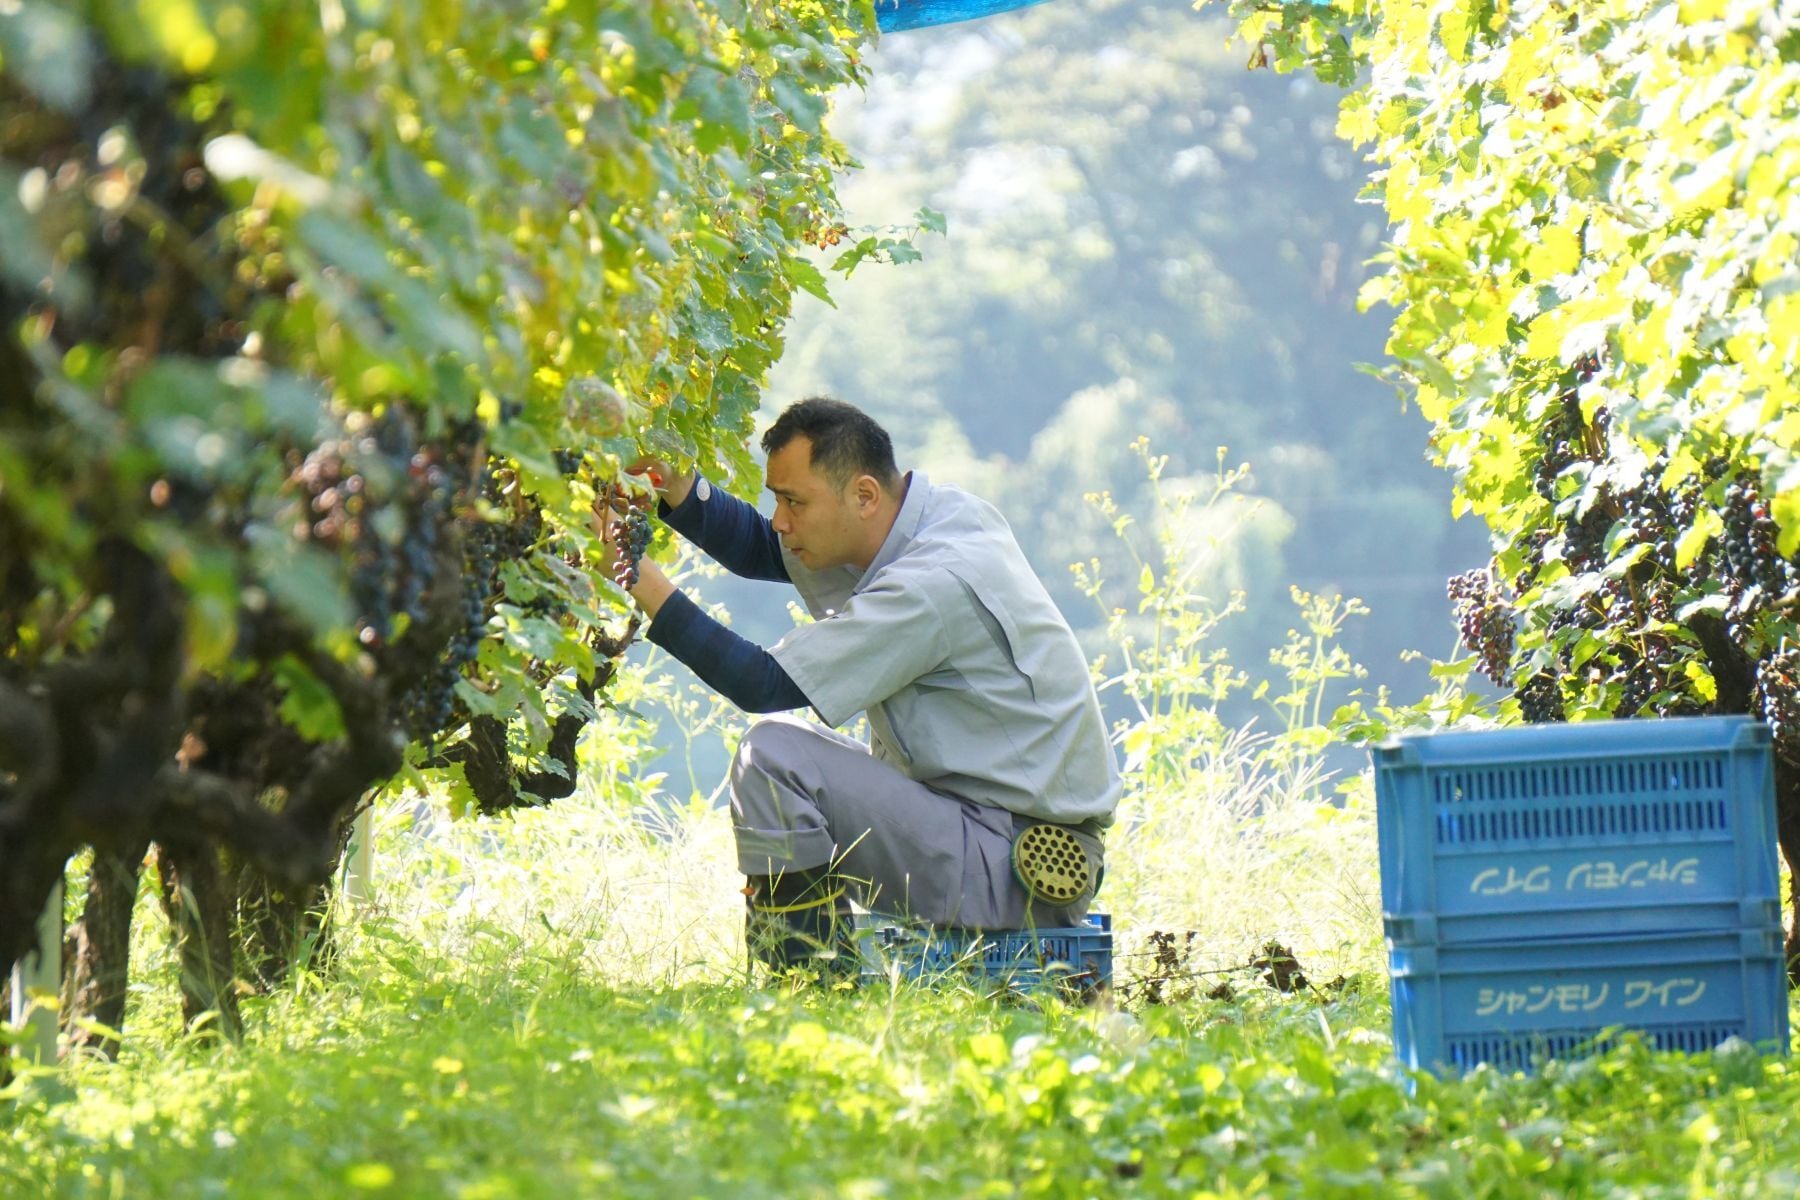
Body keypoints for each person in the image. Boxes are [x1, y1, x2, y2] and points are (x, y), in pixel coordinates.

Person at [597, 397, 1120, 974]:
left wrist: (631, 570)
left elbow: (760, 683)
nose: (780, 520)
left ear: (865, 496)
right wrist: (676, 484)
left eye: (794, 501)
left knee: (774, 758)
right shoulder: (936, 517)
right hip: (988, 834)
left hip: (1016, 867)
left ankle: (808, 981)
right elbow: (763, 548)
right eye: (778, 499)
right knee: (785, 757)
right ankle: (813, 972)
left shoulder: (932, 586)